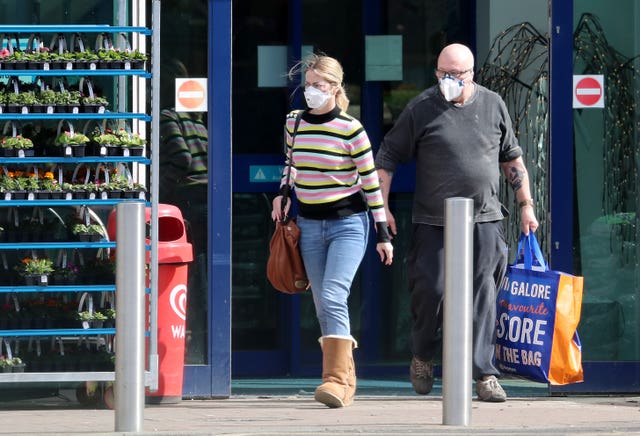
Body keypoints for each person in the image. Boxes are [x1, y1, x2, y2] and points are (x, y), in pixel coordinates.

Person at [374, 43, 539, 403]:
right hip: (434, 220)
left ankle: (484, 374)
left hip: (485, 217)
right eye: (441, 74)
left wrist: (526, 204)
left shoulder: (493, 103)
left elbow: (511, 158)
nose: (447, 80)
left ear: (471, 74)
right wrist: (381, 207)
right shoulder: (422, 107)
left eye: (455, 75)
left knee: (483, 294)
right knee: (431, 288)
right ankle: (422, 355)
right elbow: (387, 155)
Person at [271, 54, 394, 408]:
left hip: (348, 225)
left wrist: (382, 233)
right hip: (308, 223)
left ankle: (336, 380)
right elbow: (291, 164)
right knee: (322, 301)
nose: (311, 91)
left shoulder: (351, 129)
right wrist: (283, 195)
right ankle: (346, 376)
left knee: (334, 295)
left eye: (318, 86)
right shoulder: (294, 122)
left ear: (336, 88)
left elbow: (370, 183)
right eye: (308, 85)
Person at [158, 59, 208, 363]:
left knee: (180, 273)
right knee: (199, 273)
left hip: (187, 198)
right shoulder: (199, 121)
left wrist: (160, 190)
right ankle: (197, 338)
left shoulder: (168, 117)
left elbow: (182, 158)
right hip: (206, 198)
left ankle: (183, 341)